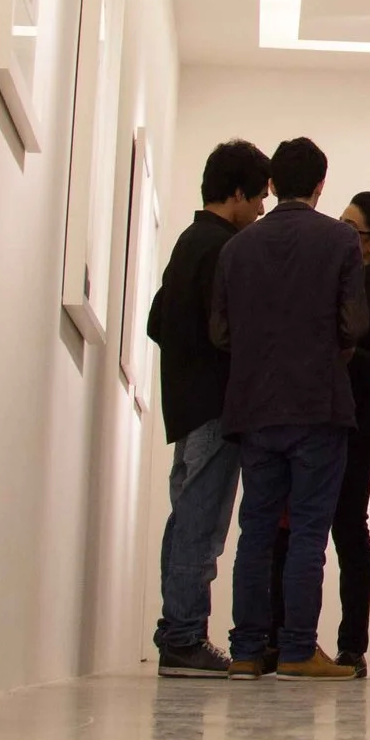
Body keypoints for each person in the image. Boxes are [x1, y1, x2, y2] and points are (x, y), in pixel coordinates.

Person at [211, 136, 368, 681]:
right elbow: (354, 324)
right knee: (307, 531)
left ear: (272, 183)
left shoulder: (237, 248)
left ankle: (246, 650)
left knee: (255, 529)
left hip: (254, 406)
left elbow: (220, 332)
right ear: (321, 184)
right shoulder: (339, 240)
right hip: (318, 404)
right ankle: (298, 647)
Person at [262, 191, 370, 674]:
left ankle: (351, 646)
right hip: (313, 417)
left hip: (356, 425)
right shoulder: (326, 277)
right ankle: (285, 637)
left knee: (348, 531)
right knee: (291, 530)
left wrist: (338, 351)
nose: (339, 231)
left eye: (351, 226)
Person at [148, 139, 272, 676]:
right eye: (259, 197)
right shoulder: (225, 249)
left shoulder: (188, 242)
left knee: (186, 518)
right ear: (238, 193)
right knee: (202, 522)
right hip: (215, 405)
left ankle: (177, 632)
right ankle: (183, 636)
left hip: (186, 404)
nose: (262, 209)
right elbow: (229, 333)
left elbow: (157, 321)